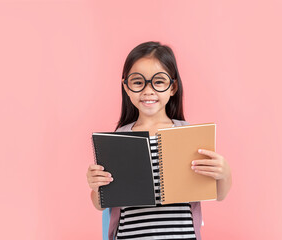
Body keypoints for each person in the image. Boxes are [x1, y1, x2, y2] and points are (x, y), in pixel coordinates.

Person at [86, 41, 232, 240]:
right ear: (126, 88)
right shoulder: (118, 139)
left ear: (173, 87)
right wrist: (96, 186)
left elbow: (219, 194)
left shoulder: (188, 134)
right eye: (138, 82)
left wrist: (224, 173)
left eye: (159, 81)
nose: (148, 90)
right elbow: (100, 203)